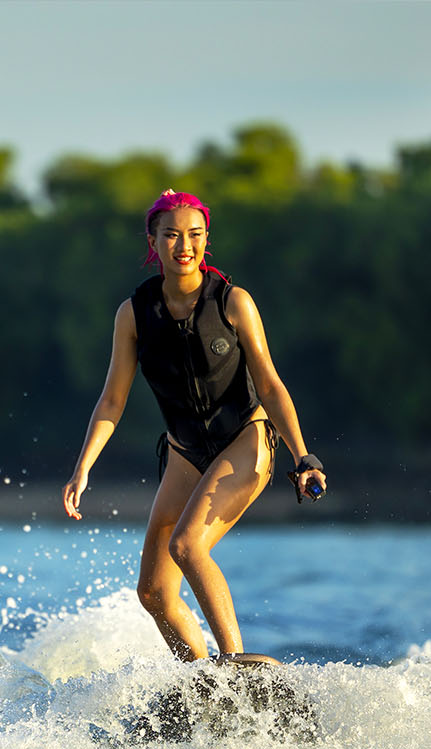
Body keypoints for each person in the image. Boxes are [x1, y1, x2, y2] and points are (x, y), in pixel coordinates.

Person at [61, 189, 326, 663]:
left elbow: (269, 384)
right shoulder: (134, 314)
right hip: (185, 452)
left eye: (196, 235)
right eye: (172, 235)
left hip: (247, 439)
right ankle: (202, 680)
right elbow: (112, 400)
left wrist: (302, 454)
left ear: (207, 240)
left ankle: (239, 666)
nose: (185, 245)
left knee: (187, 545)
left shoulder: (232, 301)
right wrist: (83, 469)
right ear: (153, 241)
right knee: (154, 592)